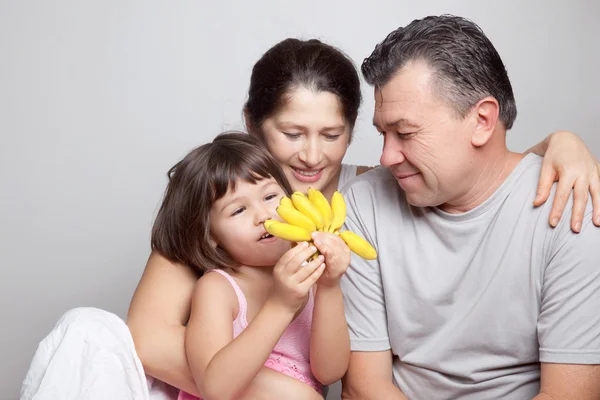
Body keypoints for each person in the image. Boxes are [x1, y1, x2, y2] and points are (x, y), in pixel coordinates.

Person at [21, 38, 600, 400]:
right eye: (291, 134)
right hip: (207, 384)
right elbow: (145, 335)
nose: (312, 156)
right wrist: (273, 388)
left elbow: (479, 166)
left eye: (332, 135)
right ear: (252, 125)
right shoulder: (220, 198)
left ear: (353, 134)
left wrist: (563, 144)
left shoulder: (374, 190)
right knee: (85, 330)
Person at [339, 15, 600, 400]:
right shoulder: (363, 205)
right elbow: (364, 387)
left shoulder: (571, 209)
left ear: (481, 120)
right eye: (383, 133)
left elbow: (570, 394)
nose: (386, 156)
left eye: (406, 133)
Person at [151, 132, 350, 399]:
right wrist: (280, 305)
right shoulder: (219, 289)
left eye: (270, 197)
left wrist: (329, 287)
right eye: (238, 210)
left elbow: (330, 372)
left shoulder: (311, 274)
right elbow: (216, 388)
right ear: (211, 237)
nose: (263, 215)